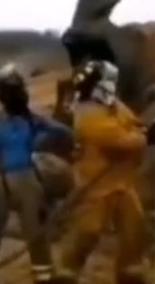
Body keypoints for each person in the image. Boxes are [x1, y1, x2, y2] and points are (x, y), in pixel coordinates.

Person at [0, 64, 73, 284]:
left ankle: (37, 274)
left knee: (26, 229)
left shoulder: (23, 119)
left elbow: (63, 133)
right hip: (16, 177)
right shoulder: (20, 120)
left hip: (11, 178)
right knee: (16, 229)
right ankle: (38, 274)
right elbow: (64, 134)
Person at [58, 60, 149, 284]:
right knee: (89, 231)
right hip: (96, 184)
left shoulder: (112, 105)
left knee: (134, 229)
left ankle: (130, 271)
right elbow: (119, 139)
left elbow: (132, 123)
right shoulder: (87, 114)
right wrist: (146, 137)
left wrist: (143, 130)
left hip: (121, 182)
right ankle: (66, 272)